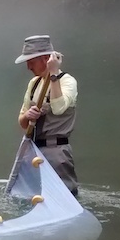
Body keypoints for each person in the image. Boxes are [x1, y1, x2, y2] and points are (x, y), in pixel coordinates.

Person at [15, 34, 79, 196]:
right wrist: (28, 116)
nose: (28, 66)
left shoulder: (67, 81)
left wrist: (53, 74)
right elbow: (22, 122)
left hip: (57, 151)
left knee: (64, 195)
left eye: (31, 61)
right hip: (34, 151)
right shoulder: (34, 83)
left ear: (45, 59)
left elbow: (58, 108)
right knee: (34, 196)